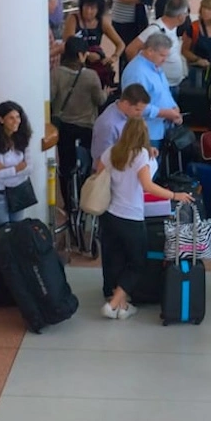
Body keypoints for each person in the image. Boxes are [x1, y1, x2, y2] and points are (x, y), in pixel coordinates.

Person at [97, 118, 193, 319]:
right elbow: (148, 185)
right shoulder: (140, 155)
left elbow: (99, 175)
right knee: (137, 262)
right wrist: (175, 195)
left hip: (110, 215)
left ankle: (122, 305)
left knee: (116, 260)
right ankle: (113, 304)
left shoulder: (110, 152)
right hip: (131, 217)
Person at [52, 36, 109, 209]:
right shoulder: (91, 76)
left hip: (64, 127)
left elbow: (51, 97)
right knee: (86, 165)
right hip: (86, 128)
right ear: (80, 55)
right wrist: (106, 92)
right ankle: (85, 200)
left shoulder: (56, 73)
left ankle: (68, 205)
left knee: (66, 166)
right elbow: (99, 100)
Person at [120, 33, 181, 152]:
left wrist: (174, 107)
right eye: (162, 55)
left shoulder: (156, 66)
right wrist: (165, 113)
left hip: (158, 129)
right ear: (149, 51)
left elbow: (164, 91)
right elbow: (135, 105)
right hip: (145, 133)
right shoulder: (137, 72)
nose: (165, 60)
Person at [0, 101, 33, 226]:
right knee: (3, 234)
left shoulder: (24, 137)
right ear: (1, 119)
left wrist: (5, 168)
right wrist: (17, 167)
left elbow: (29, 168)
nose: (16, 121)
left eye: (17, 117)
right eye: (11, 118)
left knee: (17, 231)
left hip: (19, 192)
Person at [126, 0, 189, 95]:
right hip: (160, 87)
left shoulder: (173, 27)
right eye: (186, 14)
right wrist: (144, 72)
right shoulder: (155, 30)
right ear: (180, 17)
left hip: (173, 84)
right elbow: (131, 49)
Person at [63, 0, 123, 88]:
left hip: (94, 66)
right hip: (74, 63)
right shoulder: (73, 19)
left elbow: (120, 44)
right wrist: (88, 54)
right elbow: (68, 43)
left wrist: (114, 57)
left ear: (98, 9)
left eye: (92, 8)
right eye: (86, 7)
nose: (88, 11)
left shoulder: (102, 22)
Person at [90, 83, 150, 169]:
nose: (140, 114)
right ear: (125, 103)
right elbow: (101, 161)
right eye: (137, 110)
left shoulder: (127, 114)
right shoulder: (108, 125)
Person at [182, 0, 211, 73]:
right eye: (204, 8)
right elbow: (184, 50)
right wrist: (198, 59)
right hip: (198, 71)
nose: (205, 11)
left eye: (209, 9)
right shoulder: (193, 28)